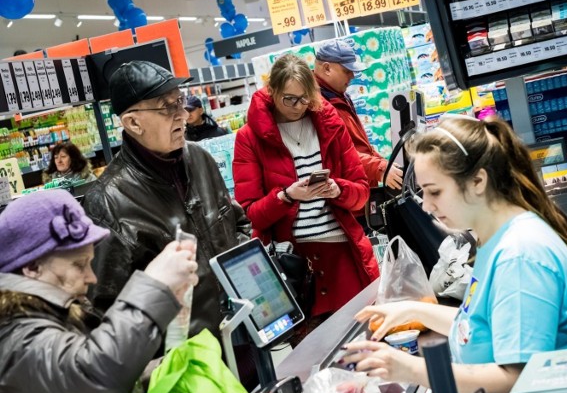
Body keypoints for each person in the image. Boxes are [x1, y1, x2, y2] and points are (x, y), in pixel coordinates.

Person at [342, 115, 567, 393]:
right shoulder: (494, 239)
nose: (426, 205)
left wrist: (410, 369)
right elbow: (478, 325)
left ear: (477, 182)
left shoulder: (519, 255)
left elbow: (519, 379)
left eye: (435, 191)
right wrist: (412, 311)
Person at [83, 61, 251, 353]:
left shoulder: (200, 159)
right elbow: (106, 309)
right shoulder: (108, 201)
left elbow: (237, 224)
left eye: (181, 101)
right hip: (184, 364)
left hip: (243, 334)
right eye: (166, 106)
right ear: (133, 123)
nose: (182, 114)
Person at [0, 190, 198, 393]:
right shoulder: (12, 331)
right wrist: (155, 285)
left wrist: (163, 370)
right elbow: (88, 378)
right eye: (79, 264)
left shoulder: (49, 313)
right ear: (33, 267)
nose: (92, 278)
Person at [233, 54, 379, 324]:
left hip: (345, 257)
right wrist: (286, 196)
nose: (299, 106)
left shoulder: (328, 122)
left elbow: (361, 194)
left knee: (366, 347)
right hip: (295, 266)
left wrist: (338, 189)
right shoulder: (249, 139)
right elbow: (249, 214)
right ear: (272, 91)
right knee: (312, 360)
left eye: (306, 98)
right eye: (290, 99)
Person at [313, 39, 403, 192]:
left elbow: (358, 144)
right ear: (327, 68)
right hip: (346, 194)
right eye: (347, 71)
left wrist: (382, 163)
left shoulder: (339, 96)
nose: (352, 76)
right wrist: (378, 167)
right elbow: (338, 153)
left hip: (359, 189)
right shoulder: (316, 104)